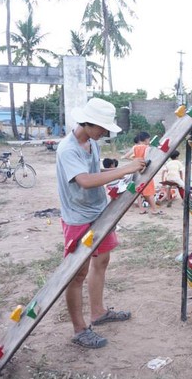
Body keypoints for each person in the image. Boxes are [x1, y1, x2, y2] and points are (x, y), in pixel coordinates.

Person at [56, 98, 146, 348]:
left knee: (102, 261)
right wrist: (123, 170)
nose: (105, 132)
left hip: (98, 211)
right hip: (78, 217)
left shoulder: (91, 143)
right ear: (88, 123)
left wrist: (120, 176)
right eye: (103, 128)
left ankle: (98, 312)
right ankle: (79, 329)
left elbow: (97, 175)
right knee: (77, 274)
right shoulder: (68, 149)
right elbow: (84, 180)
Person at [123, 131, 163, 215]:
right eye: (149, 139)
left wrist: (135, 160)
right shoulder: (147, 147)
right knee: (150, 192)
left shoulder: (135, 147)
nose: (149, 141)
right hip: (146, 171)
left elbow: (125, 156)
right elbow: (146, 159)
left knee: (138, 190)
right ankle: (154, 210)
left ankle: (141, 209)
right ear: (145, 139)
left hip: (137, 170)